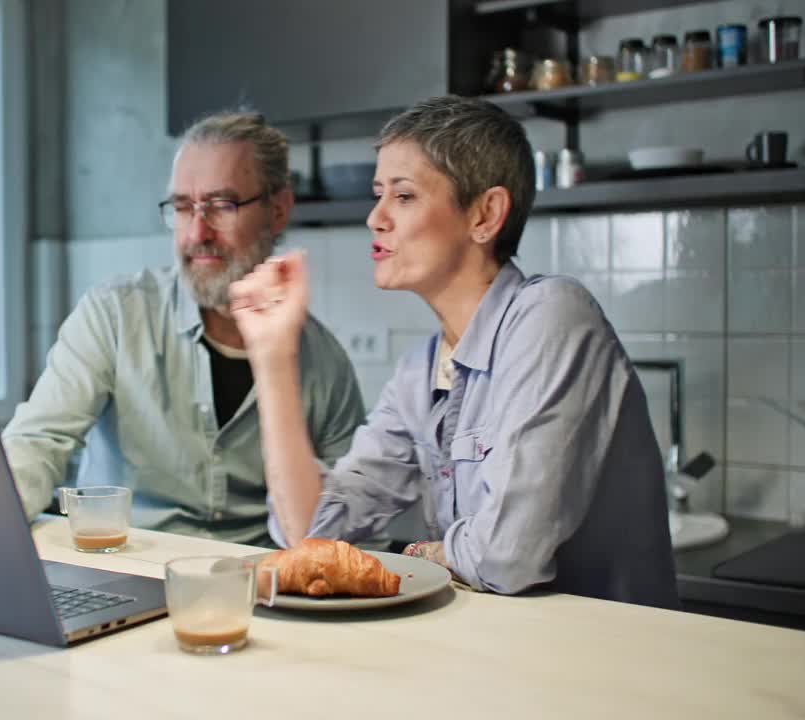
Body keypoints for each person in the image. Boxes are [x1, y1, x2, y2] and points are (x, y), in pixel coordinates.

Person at [229, 96, 678, 607]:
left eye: (403, 196)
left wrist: (428, 555)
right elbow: (307, 532)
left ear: (485, 214)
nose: (375, 217)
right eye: (378, 194)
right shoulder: (420, 371)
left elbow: (507, 557)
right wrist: (273, 355)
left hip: (609, 664)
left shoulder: (553, 316)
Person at [1, 111, 366, 547]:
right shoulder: (115, 314)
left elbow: (342, 526)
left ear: (279, 208)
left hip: (259, 592)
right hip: (125, 568)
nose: (197, 232)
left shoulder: (325, 364)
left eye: (221, 205)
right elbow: (39, 441)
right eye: (181, 207)